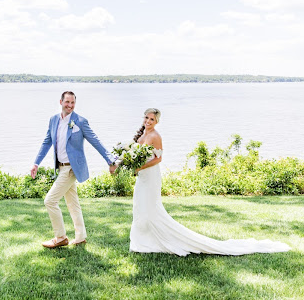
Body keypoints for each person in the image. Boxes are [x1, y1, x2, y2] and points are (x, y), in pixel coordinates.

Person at [110, 108, 291, 256]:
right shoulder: (142, 135)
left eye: (152, 119)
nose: (148, 121)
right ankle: (143, 240)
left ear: (157, 122)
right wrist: (128, 164)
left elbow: (158, 159)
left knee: (150, 208)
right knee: (140, 206)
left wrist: (138, 168)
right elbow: (136, 156)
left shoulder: (155, 136)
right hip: (142, 176)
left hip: (150, 176)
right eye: (147, 117)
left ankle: (155, 240)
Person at [31, 91, 115, 248]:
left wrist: (110, 160)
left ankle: (60, 237)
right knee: (72, 203)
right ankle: (80, 237)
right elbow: (47, 142)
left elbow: (95, 141)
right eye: (67, 102)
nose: (70, 105)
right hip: (60, 167)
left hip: (72, 169)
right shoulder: (54, 120)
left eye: (72, 103)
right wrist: (36, 163)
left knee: (50, 201)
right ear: (61, 101)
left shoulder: (80, 122)